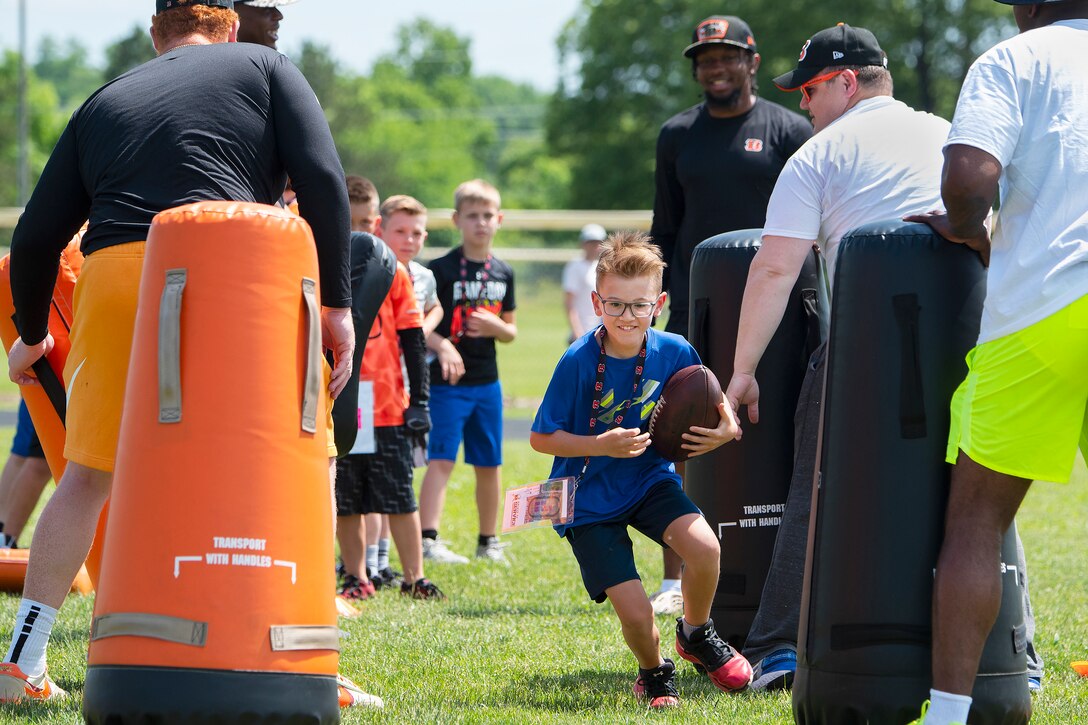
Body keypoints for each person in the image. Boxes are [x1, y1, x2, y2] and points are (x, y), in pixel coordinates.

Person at [0, 0, 367, 707]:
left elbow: (39, 230)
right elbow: (323, 181)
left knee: (86, 474)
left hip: (114, 272)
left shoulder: (105, 98)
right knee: (287, 462)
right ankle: (302, 649)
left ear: (156, 34)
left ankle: (23, 655)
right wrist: (338, 306)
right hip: (231, 268)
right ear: (229, 27)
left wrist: (31, 333)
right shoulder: (266, 65)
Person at [722, 23, 954, 692]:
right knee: (967, 494)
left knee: (815, 490)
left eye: (813, 90)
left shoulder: (820, 155)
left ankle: (776, 650)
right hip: (955, 339)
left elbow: (773, 269)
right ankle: (999, 648)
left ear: (847, 82)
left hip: (863, 343)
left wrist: (742, 370)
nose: (805, 106)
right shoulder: (948, 132)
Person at [903, 2, 1088, 723]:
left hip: (1043, 305)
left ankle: (949, 716)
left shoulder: (1013, 59)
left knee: (977, 519)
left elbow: (969, 178)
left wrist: (968, 228)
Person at [530, 231, 751, 708]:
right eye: (615, 305)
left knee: (706, 548)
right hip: (587, 496)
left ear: (660, 303)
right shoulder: (577, 361)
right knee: (634, 613)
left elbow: (707, 395)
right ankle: (653, 673)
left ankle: (695, 633)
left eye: (639, 305)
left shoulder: (674, 349)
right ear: (596, 302)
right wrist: (600, 445)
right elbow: (540, 437)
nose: (627, 316)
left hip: (649, 479)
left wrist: (725, 425)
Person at [648, 14, 812, 616]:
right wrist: (654, 296)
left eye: (726, 57)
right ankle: (675, 576)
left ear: (750, 60)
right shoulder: (677, 134)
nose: (715, 68)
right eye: (705, 60)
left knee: (777, 428)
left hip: (777, 309)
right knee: (678, 432)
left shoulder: (789, 129)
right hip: (697, 308)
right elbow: (665, 226)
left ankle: (781, 559)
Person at [336, 190, 445, 602]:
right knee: (347, 499)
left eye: (366, 223)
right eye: (350, 223)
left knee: (398, 495)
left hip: (387, 404)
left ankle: (414, 577)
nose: (359, 232)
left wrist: (420, 401)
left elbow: (414, 340)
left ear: (376, 225)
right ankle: (356, 575)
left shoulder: (393, 271)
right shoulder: (320, 265)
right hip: (342, 400)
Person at [418, 179, 517, 565]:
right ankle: (429, 539)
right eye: (472, 216)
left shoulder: (503, 272)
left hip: (487, 384)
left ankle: (488, 541)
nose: (481, 223)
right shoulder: (438, 269)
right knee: (441, 459)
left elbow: (510, 330)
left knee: (489, 464)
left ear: (499, 219)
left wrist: (497, 329)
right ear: (457, 219)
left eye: (488, 215)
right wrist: (442, 344)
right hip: (447, 385)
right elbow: (419, 323)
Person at [0, 402, 53, 548]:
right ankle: (6, 542)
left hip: (41, 381)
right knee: (41, 460)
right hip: (55, 384)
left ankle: (4, 537)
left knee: (23, 452)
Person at [562, 223, 605, 343]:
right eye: (591, 242)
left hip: (601, 330)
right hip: (583, 330)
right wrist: (577, 331)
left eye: (598, 242)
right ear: (583, 244)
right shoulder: (575, 266)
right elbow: (569, 302)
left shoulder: (604, 266)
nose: (595, 246)